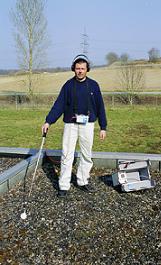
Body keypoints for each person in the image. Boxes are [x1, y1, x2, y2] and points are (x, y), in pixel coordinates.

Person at [42, 54, 107, 197]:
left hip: (88, 125)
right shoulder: (68, 86)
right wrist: (48, 121)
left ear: (87, 69)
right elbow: (58, 105)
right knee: (66, 155)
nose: (80, 71)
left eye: (82, 68)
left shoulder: (94, 86)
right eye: (77, 68)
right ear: (74, 69)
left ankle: (83, 181)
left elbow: (100, 107)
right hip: (70, 125)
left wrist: (103, 127)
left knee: (86, 155)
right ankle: (64, 186)